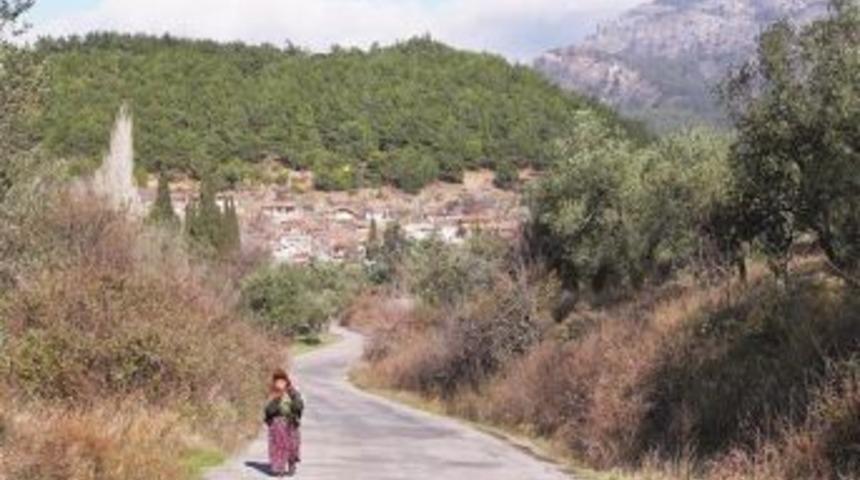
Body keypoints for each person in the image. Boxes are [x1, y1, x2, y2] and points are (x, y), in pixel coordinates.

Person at [264, 368, 303, 477]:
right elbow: (268, 410)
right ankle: (279, 469)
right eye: (278, 381)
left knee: (293, 445)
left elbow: (299, 407)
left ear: (286, 381)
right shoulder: (272, 394)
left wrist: (295, 400)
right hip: (277, 424)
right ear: (274, 382)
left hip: (291, 422)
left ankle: (291, 464)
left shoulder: (293, 392)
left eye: (282, 380)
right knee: (279, 446)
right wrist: (277, 398)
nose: (280, 383)